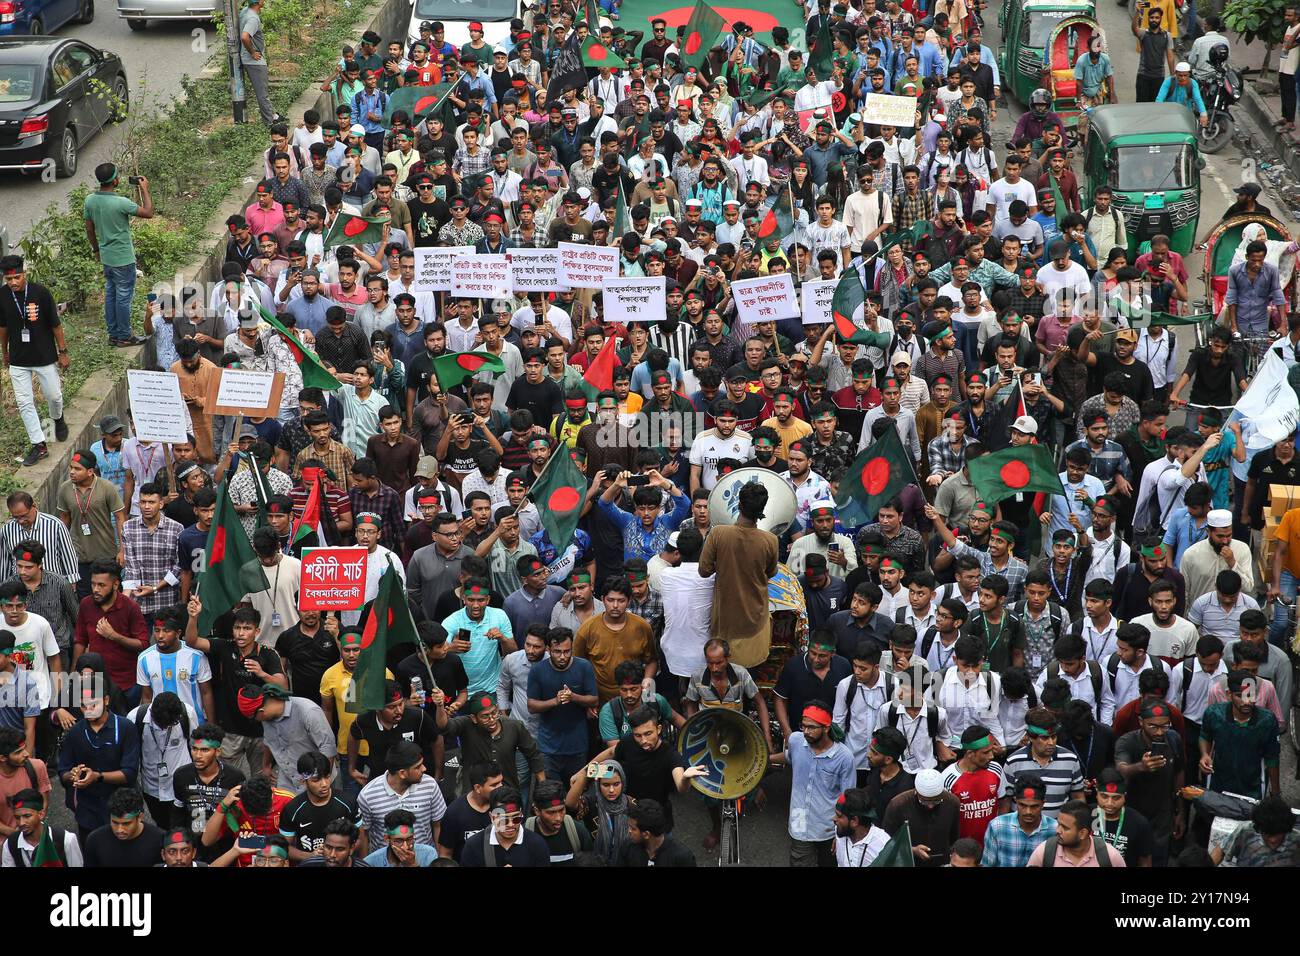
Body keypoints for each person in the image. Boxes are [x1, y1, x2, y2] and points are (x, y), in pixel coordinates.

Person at [698, 481, 779, 668]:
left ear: (739, 505)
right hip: (756, 621)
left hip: (725, 620)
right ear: (762, 509)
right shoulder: (770, 540)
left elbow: (704, 570)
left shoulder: (718, 534)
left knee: (724, 672)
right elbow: (771, 572)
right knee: (752, 673)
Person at [768, 700, 857, 867]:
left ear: (826, 728)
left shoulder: (844, 758)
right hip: (799, 823)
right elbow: (789, 757)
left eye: (811, 727)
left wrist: (841, 836)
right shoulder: (795, 740)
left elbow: (848, 799)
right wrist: (762, 760)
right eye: (803, 726)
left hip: (828, 829)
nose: (806, 732)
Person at [0, 256, 70, 465]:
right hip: (19, 359)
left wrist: (63, 351)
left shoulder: (40, 293)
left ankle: (57, 418)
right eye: (8, 279)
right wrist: (4, 352)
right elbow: (3, 327)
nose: (13, 283)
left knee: (54, 396)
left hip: (44, 356)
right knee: (24, 403)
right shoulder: (3, 296)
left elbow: (55, 325)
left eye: (17, 278)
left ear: (25, 274)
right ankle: (39, 445)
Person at [83, 165, 153, 347]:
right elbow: (148, 212)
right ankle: (124, 335)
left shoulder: (90, 200)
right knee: (123, 297)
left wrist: (96, 250)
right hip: (123, 259)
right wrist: (144, 189)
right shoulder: (121, 202)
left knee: (111, 295)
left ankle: (113, 334)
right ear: (115, 181)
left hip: (106, 257)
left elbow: (89, 229)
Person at [460, 787, 551, 867]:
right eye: (504, 820)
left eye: (516, 819)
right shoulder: (474, 846)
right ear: (492, 817)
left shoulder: (537, 845)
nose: (511, 825)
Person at [980, 775, 1054, 868]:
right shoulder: (997, 826)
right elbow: (987, 864)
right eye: (1022, 805)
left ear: (1043, 803)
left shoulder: (1054, 829)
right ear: (1016, 801)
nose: (1028, 812)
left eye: (1034, 806)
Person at [1027, 799, 1126, 867]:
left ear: (1082, 833)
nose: (1057, 830)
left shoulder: (1109, 856)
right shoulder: (1045, 852)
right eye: (1059, 824)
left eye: (1065, 828)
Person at [83, 787, 166, 867]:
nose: (119, 830)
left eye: (126, 824)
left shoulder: (160, 840)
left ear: (140, 817)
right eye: (115, 822)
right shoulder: (95, 840)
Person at [618, 798, 696, 867]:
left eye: (633, 828)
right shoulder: (628, 846)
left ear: (646, 834)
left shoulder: (682, 857)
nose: (629, 831)